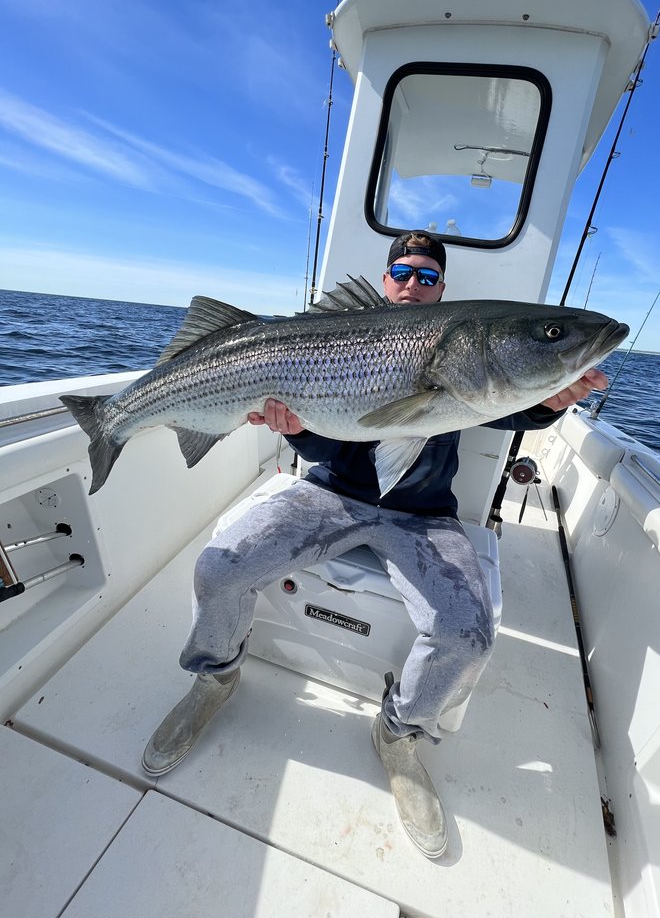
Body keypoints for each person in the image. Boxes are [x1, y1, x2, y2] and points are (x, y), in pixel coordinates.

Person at [142, 231, 607, 859]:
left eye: (428, 278)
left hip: (422, 518)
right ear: (387, 279)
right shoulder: (348, 333)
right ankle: (213, 679)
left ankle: (399, 735)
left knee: (467, 629)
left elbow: (507, 406)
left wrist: (551, 399)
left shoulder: (461, 361)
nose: (414, 284)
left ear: (443, 291)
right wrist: (299, 430)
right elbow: (332, 447)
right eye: (404, 273)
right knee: (219, 567)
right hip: (327, 495)